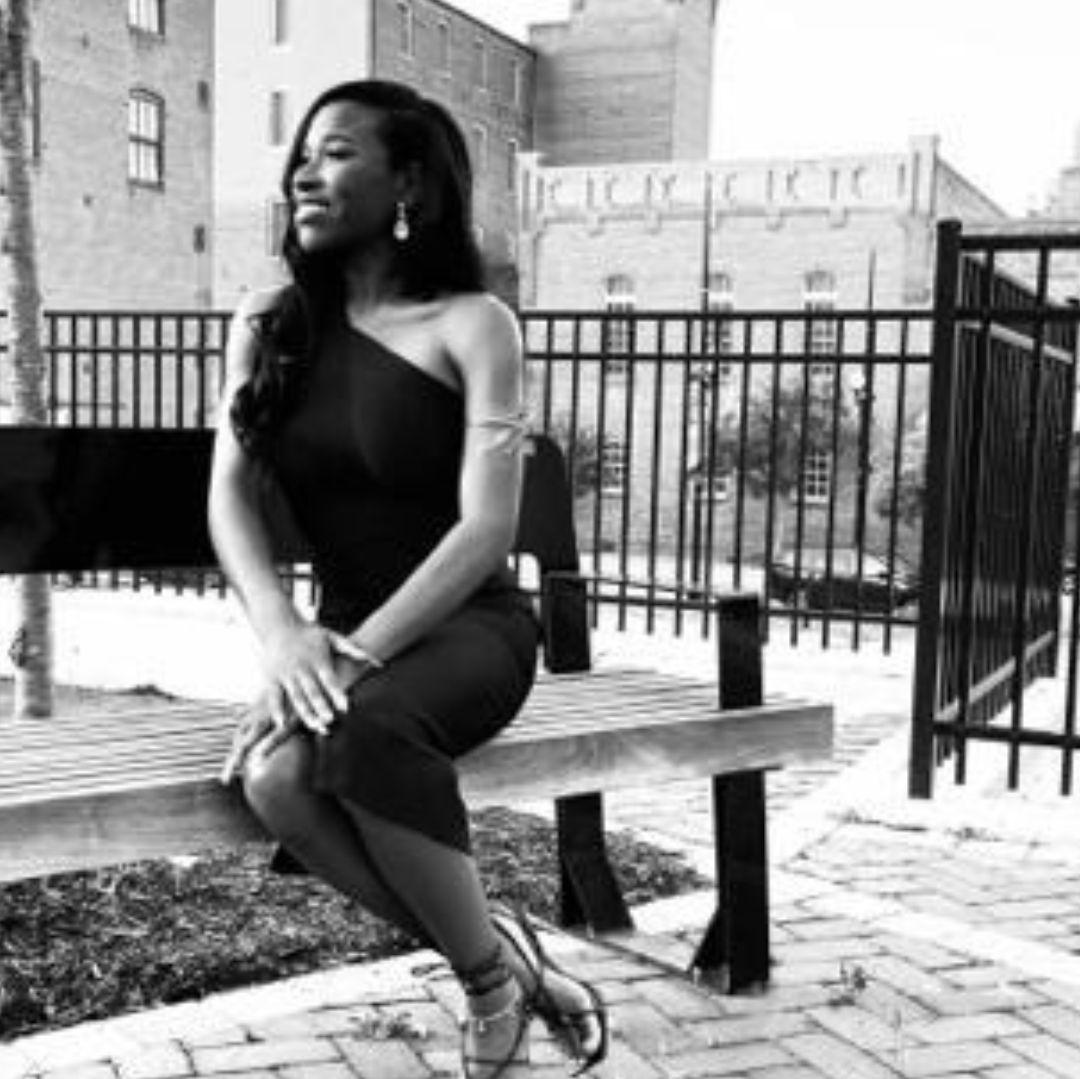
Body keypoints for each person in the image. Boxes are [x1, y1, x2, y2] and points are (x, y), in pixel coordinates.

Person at [207, 80, 607, 1078]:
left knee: (365, 730)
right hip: (339, 635)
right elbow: (229, 498)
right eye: (302, 154)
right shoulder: (269, 324)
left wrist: (351, 660)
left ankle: (489, 994)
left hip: (468, 629)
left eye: (337, 151)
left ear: (410, 185)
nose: (305, 172)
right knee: (275, 777)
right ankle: (502, 957)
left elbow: (486, 529)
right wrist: (285, 635)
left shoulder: (475, 323)